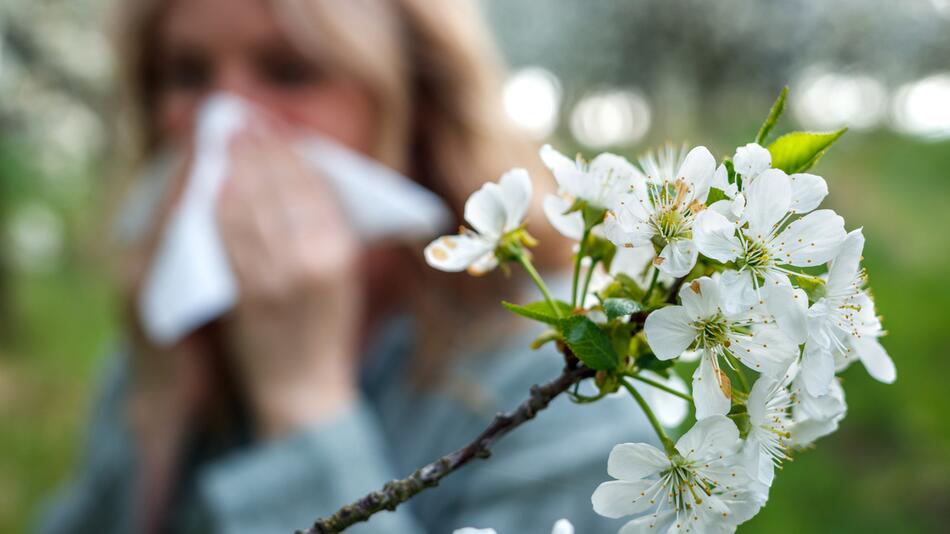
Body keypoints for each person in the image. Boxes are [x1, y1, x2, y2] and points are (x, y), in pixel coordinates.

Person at [37, 0, 655, 532]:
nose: (222, 122)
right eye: (188, 74)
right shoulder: (178, 337)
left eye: (288, 71)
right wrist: (154, 418)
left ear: (416, 102)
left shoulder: (557, 386)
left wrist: (302, 398)